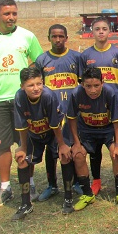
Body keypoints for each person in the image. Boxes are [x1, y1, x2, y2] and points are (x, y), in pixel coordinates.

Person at [0, 0, 44, 208]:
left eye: (14, 13)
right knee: (1, 145)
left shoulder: (27, 36)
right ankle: (5, 187)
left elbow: (38, 61)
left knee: (27, 143)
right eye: (6, 14)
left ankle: (29, 183)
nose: (11, 17)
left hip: (23, 99)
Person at [13, 67, 73, 219]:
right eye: (30, 85)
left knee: (65, 155)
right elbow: (22, 125)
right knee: (22, 161)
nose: (36, 88)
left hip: (54, 132)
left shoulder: (48, 96)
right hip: (34, 133)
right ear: (22, 86)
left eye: (39, 84)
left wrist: (62, 145)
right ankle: (26, 204)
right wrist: (23, 148)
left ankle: (68, 198)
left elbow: (55, 125)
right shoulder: (19, 97)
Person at [79, 16, 118, 195]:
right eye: (97, 29)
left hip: (114, 105)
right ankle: (96, 180)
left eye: (104, 29)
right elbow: (83, 83)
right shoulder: (85, 55)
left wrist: (114, 95)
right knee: (95, 148)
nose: (101, 32)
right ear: (91, 31)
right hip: (94, 107)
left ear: (110, 31)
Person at [67, 66, 118, 211]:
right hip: (87, 130)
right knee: (78, 155)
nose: (92, 90)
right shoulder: (75, 94)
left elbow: (117, 120)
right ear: (82, 84)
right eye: (88, 86)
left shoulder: (111, 93)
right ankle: (87, 194)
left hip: (107, 129)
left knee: (117, 154)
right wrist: (76, 143)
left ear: (102, 82)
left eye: (96, 86)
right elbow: (72, 119)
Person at [34, 24, 81, 201]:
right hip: (51, 114)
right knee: (52, 150)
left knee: (74, 146)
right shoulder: (42, 60)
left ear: (67, 38)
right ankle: (52, 185)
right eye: (54, 36)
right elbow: (37, 88)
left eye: (61, 36)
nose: (58, 40)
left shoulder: (76, 57)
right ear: (48, 38)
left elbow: (84, 84)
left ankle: (76, 182)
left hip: (73, 113)